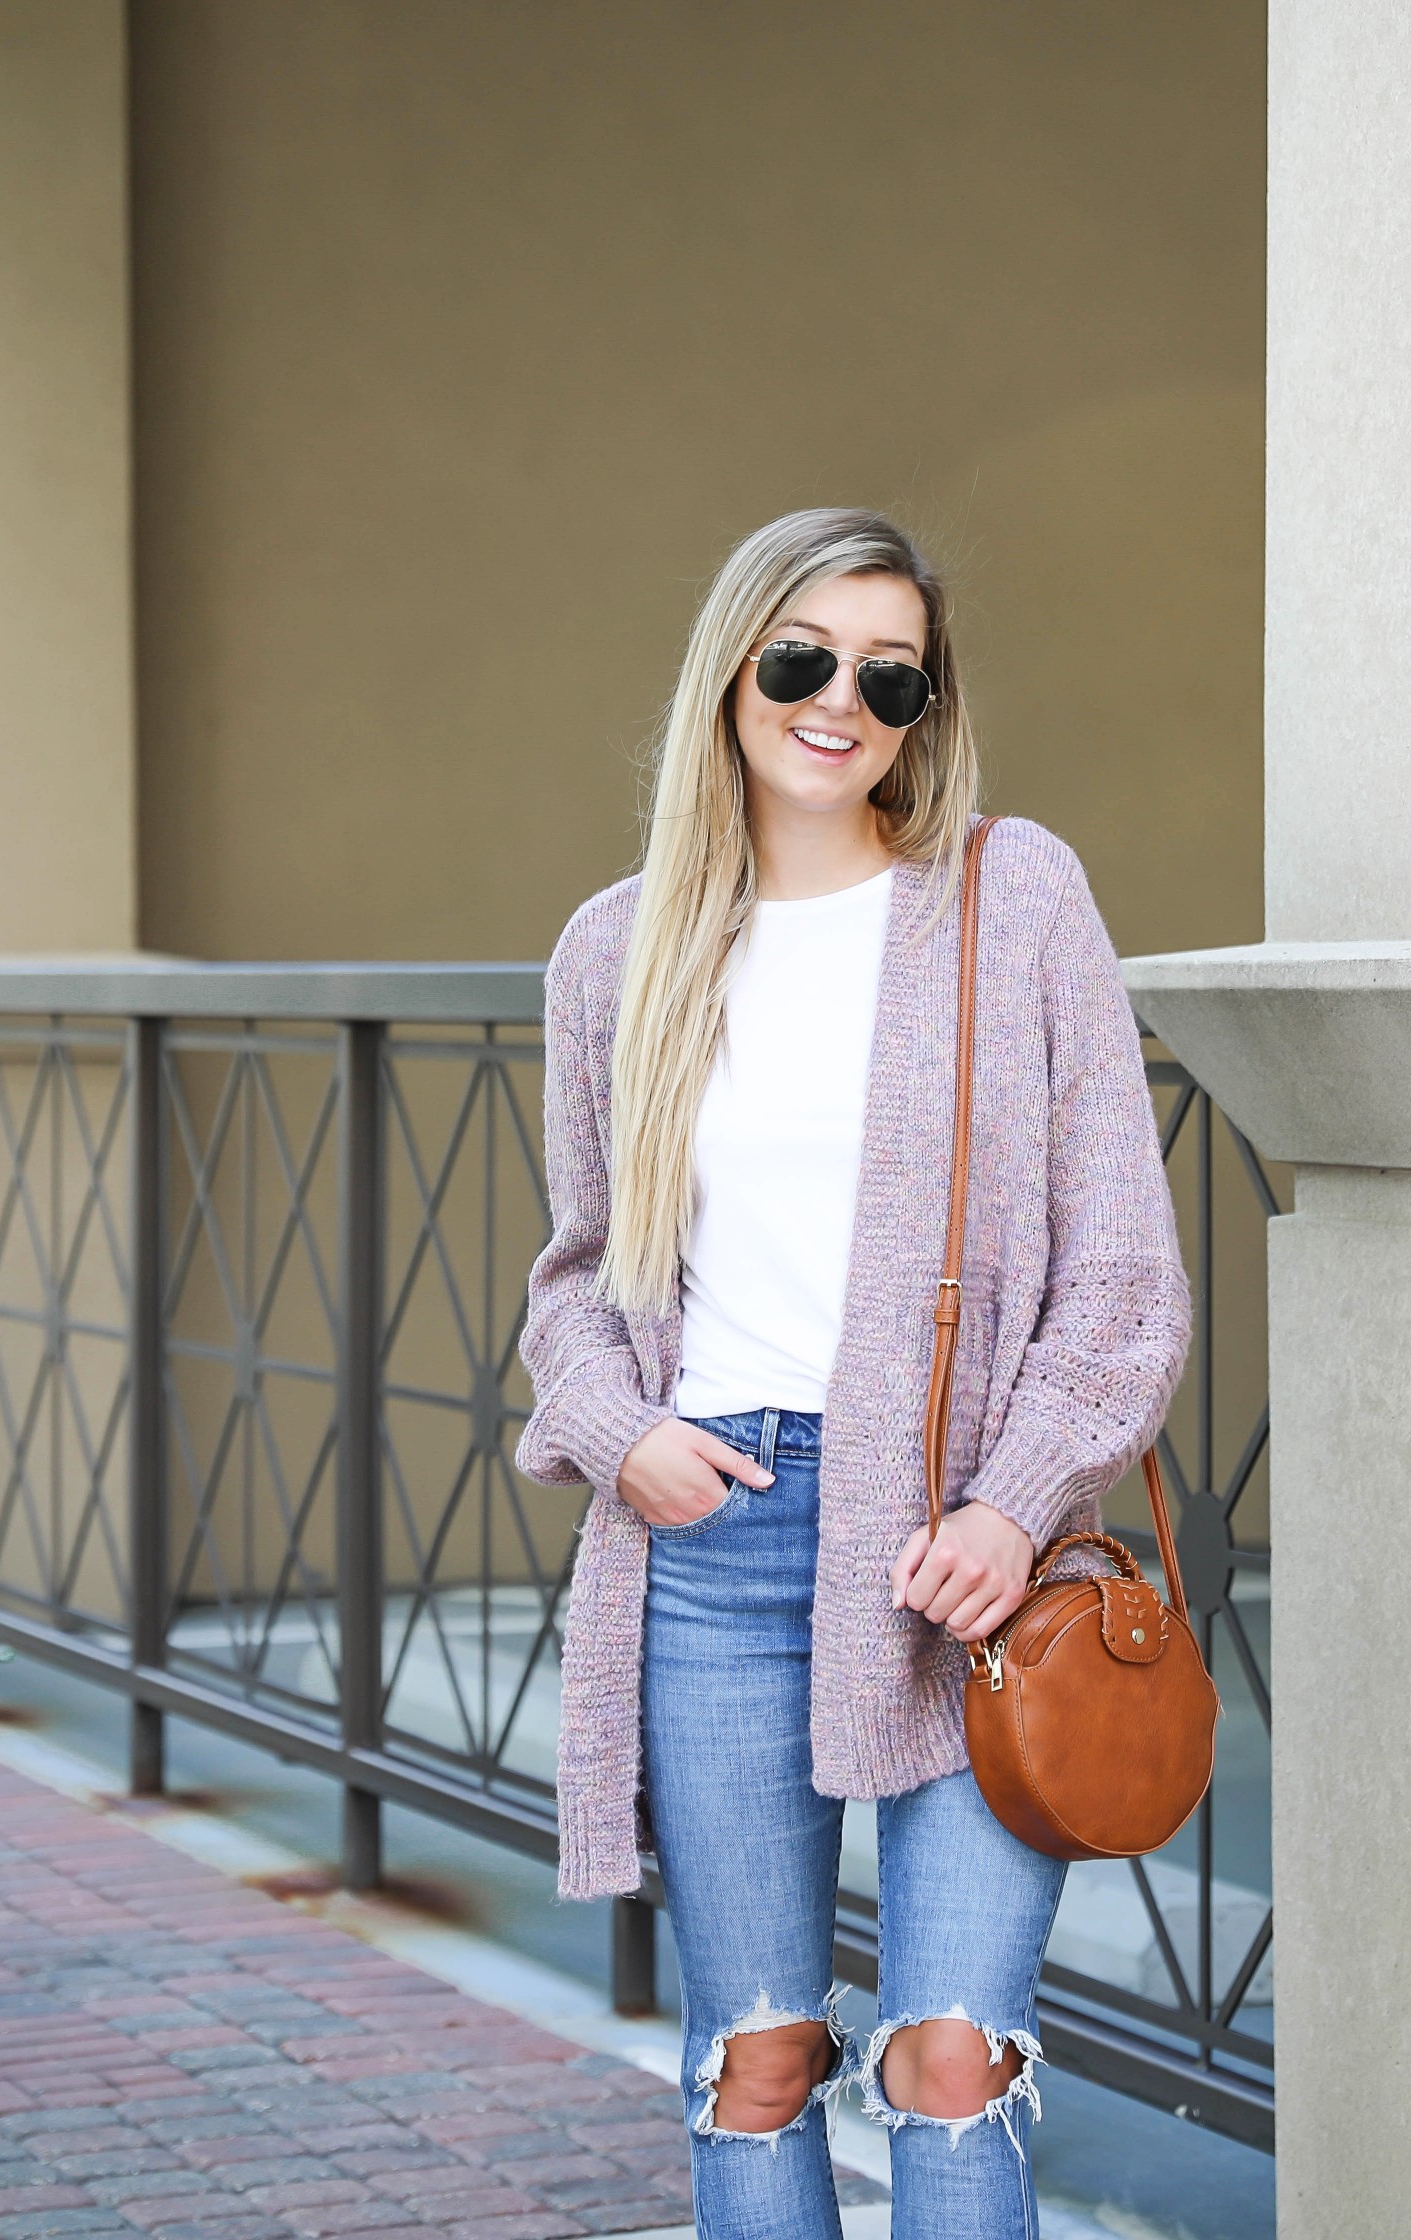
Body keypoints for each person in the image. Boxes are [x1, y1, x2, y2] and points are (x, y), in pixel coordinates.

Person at [517, 506, 1190, 2237]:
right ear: (730, 674)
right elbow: (577, 1281)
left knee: (954, 2057)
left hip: (961, 1560)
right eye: (803, 659)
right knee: (756, 2060)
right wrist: (622, 1438)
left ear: (924, 706)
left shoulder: (1006, 897)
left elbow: (1120, 1272)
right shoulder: (621, 950)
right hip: (718, 1539)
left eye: (889, 676)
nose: (843, 704)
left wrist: (1013, 1502)